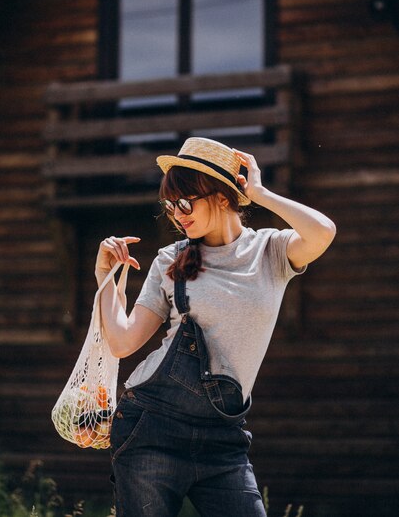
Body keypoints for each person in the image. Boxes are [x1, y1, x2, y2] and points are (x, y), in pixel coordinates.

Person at [94, 137, 336, 517]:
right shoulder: (170, 260)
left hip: (225, 438)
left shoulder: (270, 252)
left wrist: (258, 193)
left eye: (186, 202)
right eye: (170, 205)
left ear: (222, 197)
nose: (177, 214)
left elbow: (323, 232)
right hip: (152, 427)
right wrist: (105, 276)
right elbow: (124, 342)